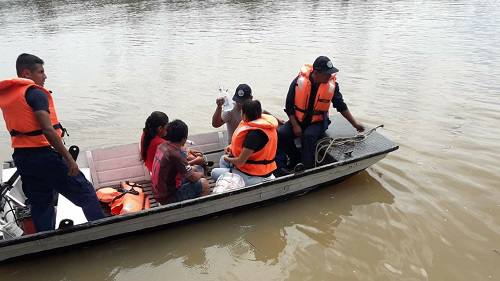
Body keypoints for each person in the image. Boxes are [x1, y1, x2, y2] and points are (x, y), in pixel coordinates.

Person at [0, 53, 104, 232]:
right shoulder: (34, 93)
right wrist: (70, 160)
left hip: (23, 157)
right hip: (45, 156)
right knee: (85, 192)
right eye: (41, 72)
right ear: (26, 73)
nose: (45, 76)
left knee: (41, 204)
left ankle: (45, 243)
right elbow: (48, 130)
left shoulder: (9, 95)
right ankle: (105, 232)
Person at [276, 56, 365, 171]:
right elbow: (289, 106)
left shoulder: (332, 86)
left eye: (330, 73)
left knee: (308, 136)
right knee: (281, 134)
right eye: (327, 74)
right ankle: (295, 158)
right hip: (298, 120)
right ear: (316, 73)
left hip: (318, 122)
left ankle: (307, 168)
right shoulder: (299, 82)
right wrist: (295, 125)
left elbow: (341, 106)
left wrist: (355, 124)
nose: (329, 76)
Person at [211, 100, 278, 186]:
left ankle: (231, 182)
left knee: (214, 172)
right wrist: (231, 148)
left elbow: (240, 162)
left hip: (254, 176)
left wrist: (226, 158)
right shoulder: (266, 127)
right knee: (222, 160)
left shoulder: (254, 135)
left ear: (244, 114)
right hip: (263, 169)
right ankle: (231, 180)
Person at [151, 119, 210, 204]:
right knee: (204, 183)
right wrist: (202, 175)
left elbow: (185, 166)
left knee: (195, 169)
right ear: (184, 139)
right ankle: (200, 212)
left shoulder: (162, 146)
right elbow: (192, 177)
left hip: (157, 192)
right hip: (167, 197)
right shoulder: (176, 155)